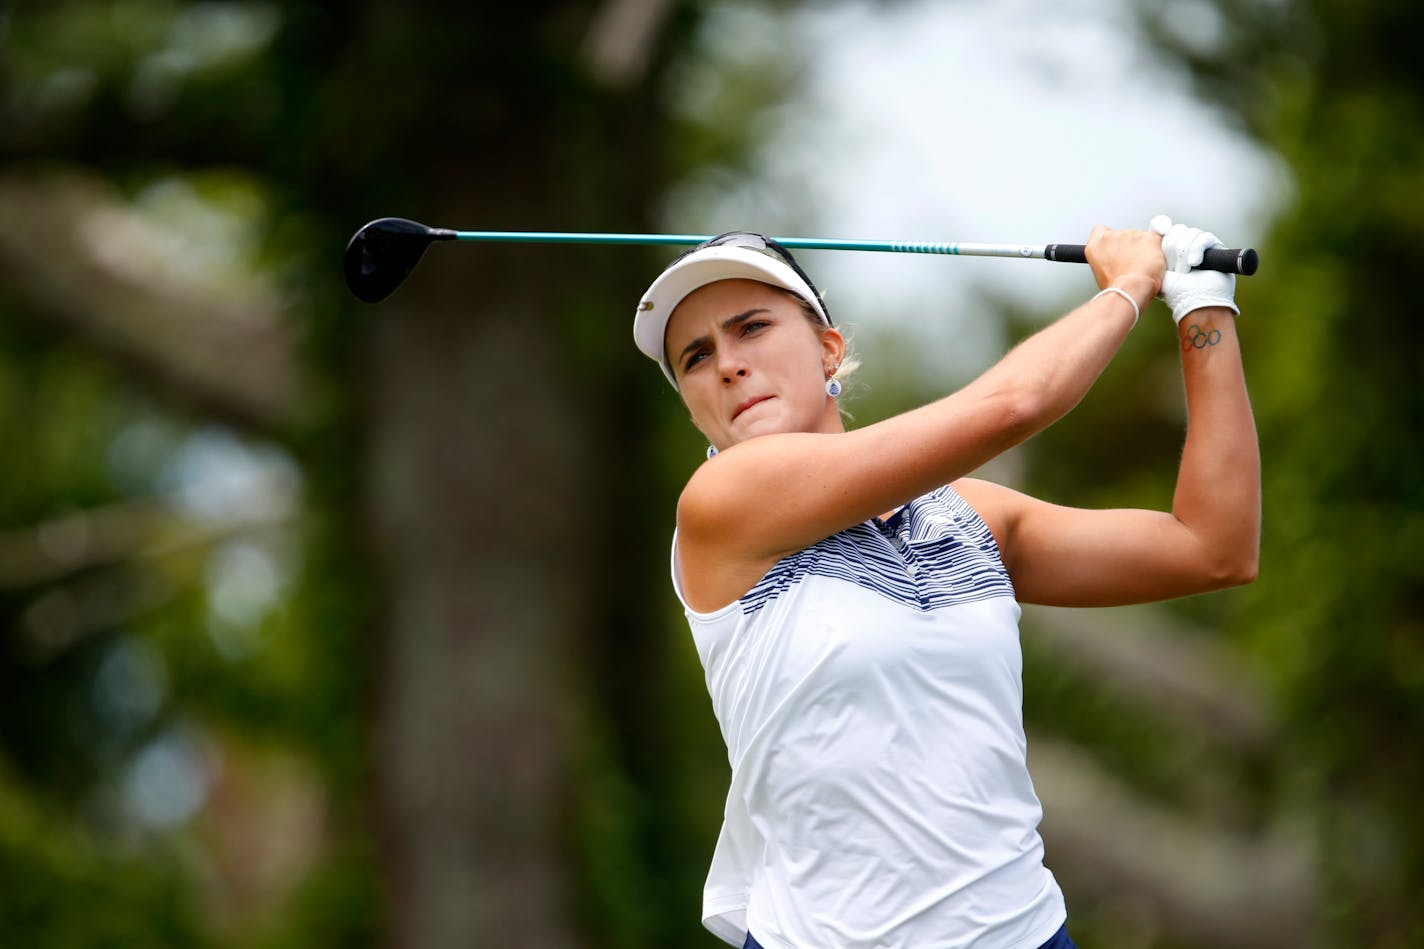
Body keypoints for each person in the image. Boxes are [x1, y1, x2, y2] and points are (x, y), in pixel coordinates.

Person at [631, 217, 1260, 949]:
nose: (728, 364)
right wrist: (1128, 285)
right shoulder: (721, 509)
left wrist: (1203, 308)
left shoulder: (967, 517)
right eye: (696, 356)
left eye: (752, 327)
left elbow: (1212, 547)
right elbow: (1012, 406)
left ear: (829, 349)